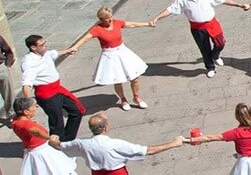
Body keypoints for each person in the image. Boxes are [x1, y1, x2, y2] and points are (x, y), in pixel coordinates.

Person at [150, 0, 248, 78]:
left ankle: (215, 55)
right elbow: (169, 10)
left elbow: (223, 0)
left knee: (220, 43)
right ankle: (210, 68)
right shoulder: (182, 0)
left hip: (212, 24)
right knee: (204, 49)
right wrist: (157, 18)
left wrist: (239, 5)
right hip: (197, 28)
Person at [61, 7, 151, 111]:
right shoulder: (97, 29)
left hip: (123, 52)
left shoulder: (116, 23)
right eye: (107, 18)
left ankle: (136, 97)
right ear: (101, 19)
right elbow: (85, 38)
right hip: (110, 55)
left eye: (111, 16)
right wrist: (75, 47)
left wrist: (147, 24)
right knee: (118, 79)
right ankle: (123, 99)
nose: (110, 19)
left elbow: (132, 24)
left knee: (135, 77)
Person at [51, 112, 184, 174]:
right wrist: (173, 143)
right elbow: (147, 150)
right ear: (105, 128)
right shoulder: (115, 144)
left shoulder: (82, 143)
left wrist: (53, 140)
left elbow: (59, 146)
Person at [21, 35, 85, 141]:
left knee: (76, 111)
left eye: (45, 43)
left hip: (57, 89)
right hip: (47, 95)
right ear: (33, 48)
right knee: (57, 123)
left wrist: (68, 51)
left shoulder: (45, 53)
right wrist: (28, 103)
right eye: (42, 45)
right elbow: (27, 83)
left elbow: (53, 53)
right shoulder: (29, 62)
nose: (46, 46)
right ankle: (57, 144)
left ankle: (68, 139)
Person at [12, 97, 79, 174]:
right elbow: (37, 132)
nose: (35, 108)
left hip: (33, 151)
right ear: (26, 111)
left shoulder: (16, 121)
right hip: (41, 152)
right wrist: (49, 137)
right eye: (33, 107)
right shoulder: (26, 124)